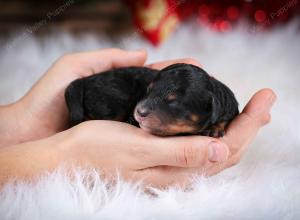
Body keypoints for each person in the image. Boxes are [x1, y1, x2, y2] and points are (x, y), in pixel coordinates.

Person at [0, 49, 276, 188]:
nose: (141, 109)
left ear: (210, 112)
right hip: (100, 93)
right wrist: (62, 156)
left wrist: (20, 128)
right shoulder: (138, 98)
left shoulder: (219, 109)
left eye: (172, 106)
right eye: (150, 92)